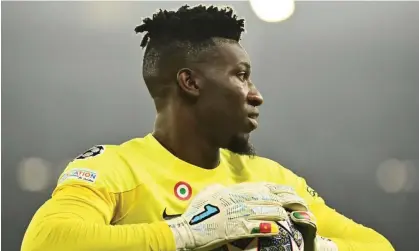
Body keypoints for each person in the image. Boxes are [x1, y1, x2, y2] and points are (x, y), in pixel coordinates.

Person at [21, 4, 394, 251]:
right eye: (241, 76)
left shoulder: (271, 181)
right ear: (191, 82)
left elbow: (377, 246)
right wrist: (187, 233)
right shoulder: (116, 169)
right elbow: (45, 242)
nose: (256, 95)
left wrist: (315, 245)